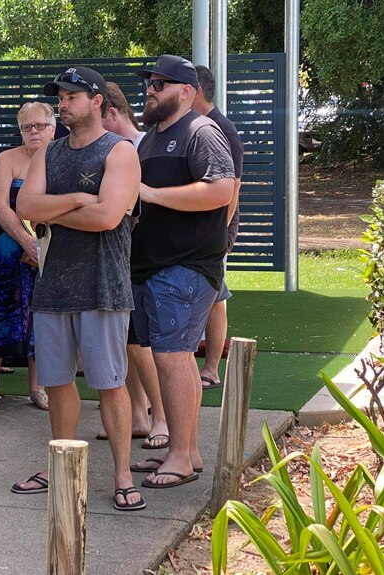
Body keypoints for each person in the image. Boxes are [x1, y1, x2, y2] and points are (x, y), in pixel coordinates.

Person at [14, 67, 145, 511]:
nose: (62, 103)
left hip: (103, 286)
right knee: (56, 382)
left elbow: (107, 218)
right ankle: (62, 467)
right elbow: (25, 207)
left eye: (71, 96)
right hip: (52, 286)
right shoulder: (47, 154)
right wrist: (76, 200)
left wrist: (55, 212)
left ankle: (123, 476)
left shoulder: (120, 152)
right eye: (60, 97)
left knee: (110, 383)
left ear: (96, 101)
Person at [129, 55, 235, 487]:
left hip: (186, 266)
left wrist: (151, 194)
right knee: (175, 360)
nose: (150, 90)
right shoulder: (151, 137)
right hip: (155, 266)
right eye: (150, 83)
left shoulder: (201, 131)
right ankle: (185, 453)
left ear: (187, 91)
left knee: (173, 359)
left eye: (160, 84)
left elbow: (222, 189)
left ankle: (179, 454)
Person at [95, 82, 169, 451]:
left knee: (141, 344)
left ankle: (163, 418)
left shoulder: (143, 148)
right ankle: (138, 415)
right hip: (117, 261)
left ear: (110, 112)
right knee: (126, 343)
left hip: (143, 261)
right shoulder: (113, 150)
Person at [0, 101, 56, 413]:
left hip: (51, 249)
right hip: (8, 251)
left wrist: (42, 247)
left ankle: (37, 387)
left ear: (53, 127)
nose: (33, 132)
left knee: (43, 318)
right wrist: (26, 242)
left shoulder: (62, 156)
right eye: (26, 127)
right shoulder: (8, 158)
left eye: (39, 126)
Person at [193, 65, 245, 390]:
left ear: (195, 91)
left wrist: (217, 234)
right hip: (193, 233)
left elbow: (233, 189)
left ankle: (211, 369)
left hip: (214, 234)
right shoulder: (191, 126)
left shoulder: (223, 129)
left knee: (215, 297)